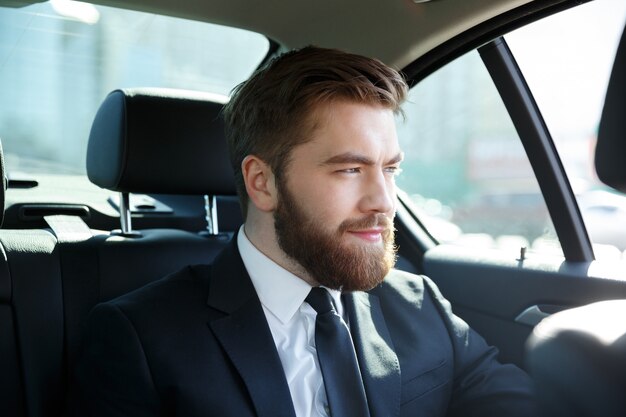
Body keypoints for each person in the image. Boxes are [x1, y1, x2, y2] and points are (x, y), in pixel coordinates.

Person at [73, 46, 536, 417]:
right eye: (350, 169)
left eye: (390, 169)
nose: (384, 200)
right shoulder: (141, 338)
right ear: (263, 182)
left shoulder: (420, 305)